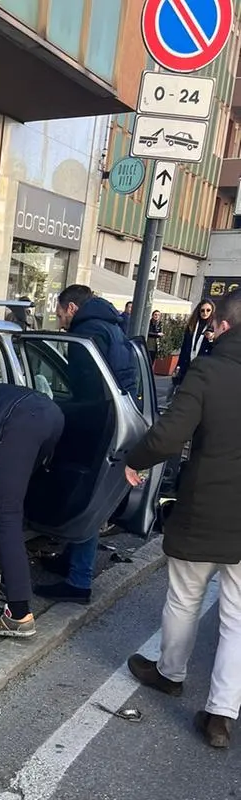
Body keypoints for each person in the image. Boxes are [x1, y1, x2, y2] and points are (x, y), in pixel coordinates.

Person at [123, 289, 241, 750]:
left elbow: (169, 435)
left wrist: (135, 459)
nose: (208, 332)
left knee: (185, 597)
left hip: (205, 508)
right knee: (237, 620)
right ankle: (220, 716)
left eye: (212, 327)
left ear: (225, 327)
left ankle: (170, 673)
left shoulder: (210, 371)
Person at [36, 284, 138, 606]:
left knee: (86, 495)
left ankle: (79, 580)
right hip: (118, 422)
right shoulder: (112, 327)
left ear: (72, 309)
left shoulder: (86, 336)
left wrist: (61, 412)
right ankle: (72, 561)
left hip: (98, 426)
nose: (59, 318)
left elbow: (87, 391)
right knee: (91, 497)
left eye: (60, 311)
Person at [0, 370, 65, 639]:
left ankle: (18, 615)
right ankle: (10, 583)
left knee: (5, 514)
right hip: (50, 414)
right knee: (13, 506)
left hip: (20, 422)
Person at [174, 298, 214, 384]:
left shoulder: (214, 327)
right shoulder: (192, 325)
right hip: (187, 363)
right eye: (202, 310)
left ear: (212, 311)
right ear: (198, 311)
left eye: (208, 310)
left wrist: (211, 339)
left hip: (203, 366)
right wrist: (178, 365)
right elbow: (184, 347)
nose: (205, 313)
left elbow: (216, 349)